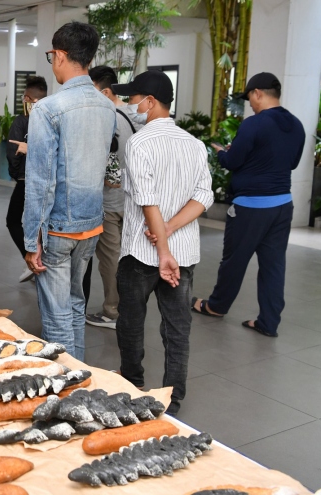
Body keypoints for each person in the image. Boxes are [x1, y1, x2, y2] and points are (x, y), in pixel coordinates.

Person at [111, 71, 213, 415]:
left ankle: (132, 381)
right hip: (183, 254)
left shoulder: (139, 144)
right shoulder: (194, 144)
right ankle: (174, 396)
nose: (129, 105)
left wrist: (161, 245)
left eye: (132, 98)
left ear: (150, 102)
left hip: (142, 253)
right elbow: (203, 197)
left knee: (131, 320)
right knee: (178, 328)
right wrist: (169, 231)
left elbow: (147, 199)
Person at [23, 22, 115, 360]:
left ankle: (65, 385)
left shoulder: (48, 108)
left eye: (51, 56)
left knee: (56, 314)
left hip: (59, 227)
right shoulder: (107, 107)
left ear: (60, 55)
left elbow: (40, 181)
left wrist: (31, 238)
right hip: (92, 224)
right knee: (76, 303)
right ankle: (80, 375)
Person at [189, 72, 305, 338]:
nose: (250, 104)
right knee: (273, 265)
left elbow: (233, 162)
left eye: (250, 98)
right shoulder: (296, 124)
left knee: (234, 261)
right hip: (282, 205)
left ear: (258, 93)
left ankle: (216, 306)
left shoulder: (254, 124)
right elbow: (292, 162)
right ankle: (268, 322)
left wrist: (222, 153)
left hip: (251, 207)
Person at [84, 66, 144, 329]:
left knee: (109, 258)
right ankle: (127, 307)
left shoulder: (110, 118)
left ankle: (112, 311)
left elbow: (110, 159)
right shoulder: (134, 116)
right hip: (130, 199)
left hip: (110, 201)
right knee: (125, 257)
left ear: (106, 92)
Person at [7, 76, 48, 282]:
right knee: (41, 222)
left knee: (13, 220)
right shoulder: (52, 119)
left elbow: (12, 151)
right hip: (48, 182)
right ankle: (35, 256)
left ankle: (30, 257)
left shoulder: (22, 121)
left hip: (25, 180)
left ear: (27, 98)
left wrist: (16, 175)